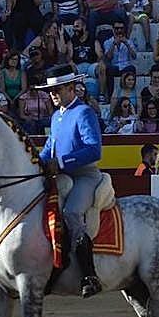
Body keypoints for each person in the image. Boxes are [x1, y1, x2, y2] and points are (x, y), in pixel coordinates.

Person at [35, 65, 104, 298]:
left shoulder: (84, 112)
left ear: (71, 88)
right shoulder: (57, 116)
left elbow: (94, 150)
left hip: (85, 175)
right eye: (50, 90)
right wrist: (36, 163)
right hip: (62, 175)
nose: (52, 94)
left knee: (72, 212)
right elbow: (48, 149)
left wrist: (61, 162)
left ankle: (89, 275)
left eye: (57, 89)